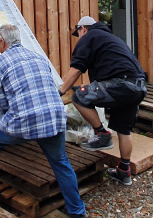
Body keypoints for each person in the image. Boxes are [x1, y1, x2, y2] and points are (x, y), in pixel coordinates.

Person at [0, 24, 87, 218]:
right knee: (61, 162)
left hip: (24, 121)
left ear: (3, 42)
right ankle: (78, 214)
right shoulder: (39, 57)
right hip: (55, 118)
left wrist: (11, 129)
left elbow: (2, 103)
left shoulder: (0, 63)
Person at [59, 16, 147, 186]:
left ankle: (102, 134)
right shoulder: (111, 38)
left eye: (78, 33)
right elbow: (112, 67)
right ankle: (124, 171)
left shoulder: (90, 36)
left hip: (122, 84)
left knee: (79, 96)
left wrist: (61, 91)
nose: (78, 37)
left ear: (83, 28)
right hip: (138, 86)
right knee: (123, 130)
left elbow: (77, 68)